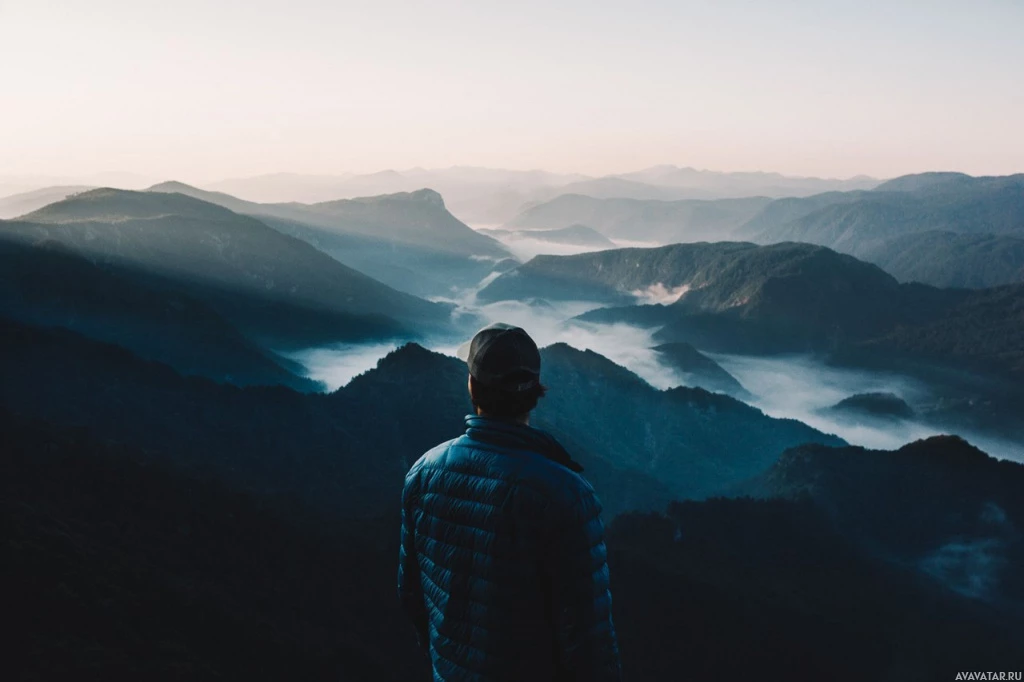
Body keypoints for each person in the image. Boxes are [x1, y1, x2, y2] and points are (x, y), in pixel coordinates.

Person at [398, 323, 622, 681]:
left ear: (472, 386)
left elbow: (412, 597)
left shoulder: (423, 474)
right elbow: (589, 640)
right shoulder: (568, 495)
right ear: (536, 393)